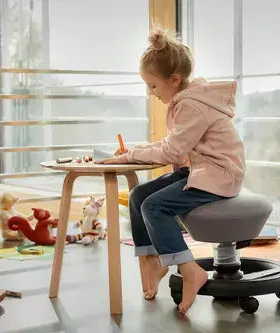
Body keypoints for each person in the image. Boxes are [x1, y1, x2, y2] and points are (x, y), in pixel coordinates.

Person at [95, 29, 246, 316]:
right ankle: (153, 258)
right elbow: (174, 145)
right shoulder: (190, 99)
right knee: (139, 195)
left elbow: (173, 152)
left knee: (155, 206)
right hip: (201, 170)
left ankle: (188, 269)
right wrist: (133, 153)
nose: (151, 93)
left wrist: (131, 154)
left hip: (218, 175)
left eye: (153, 86)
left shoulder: (191, 105)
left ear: (174, 80)